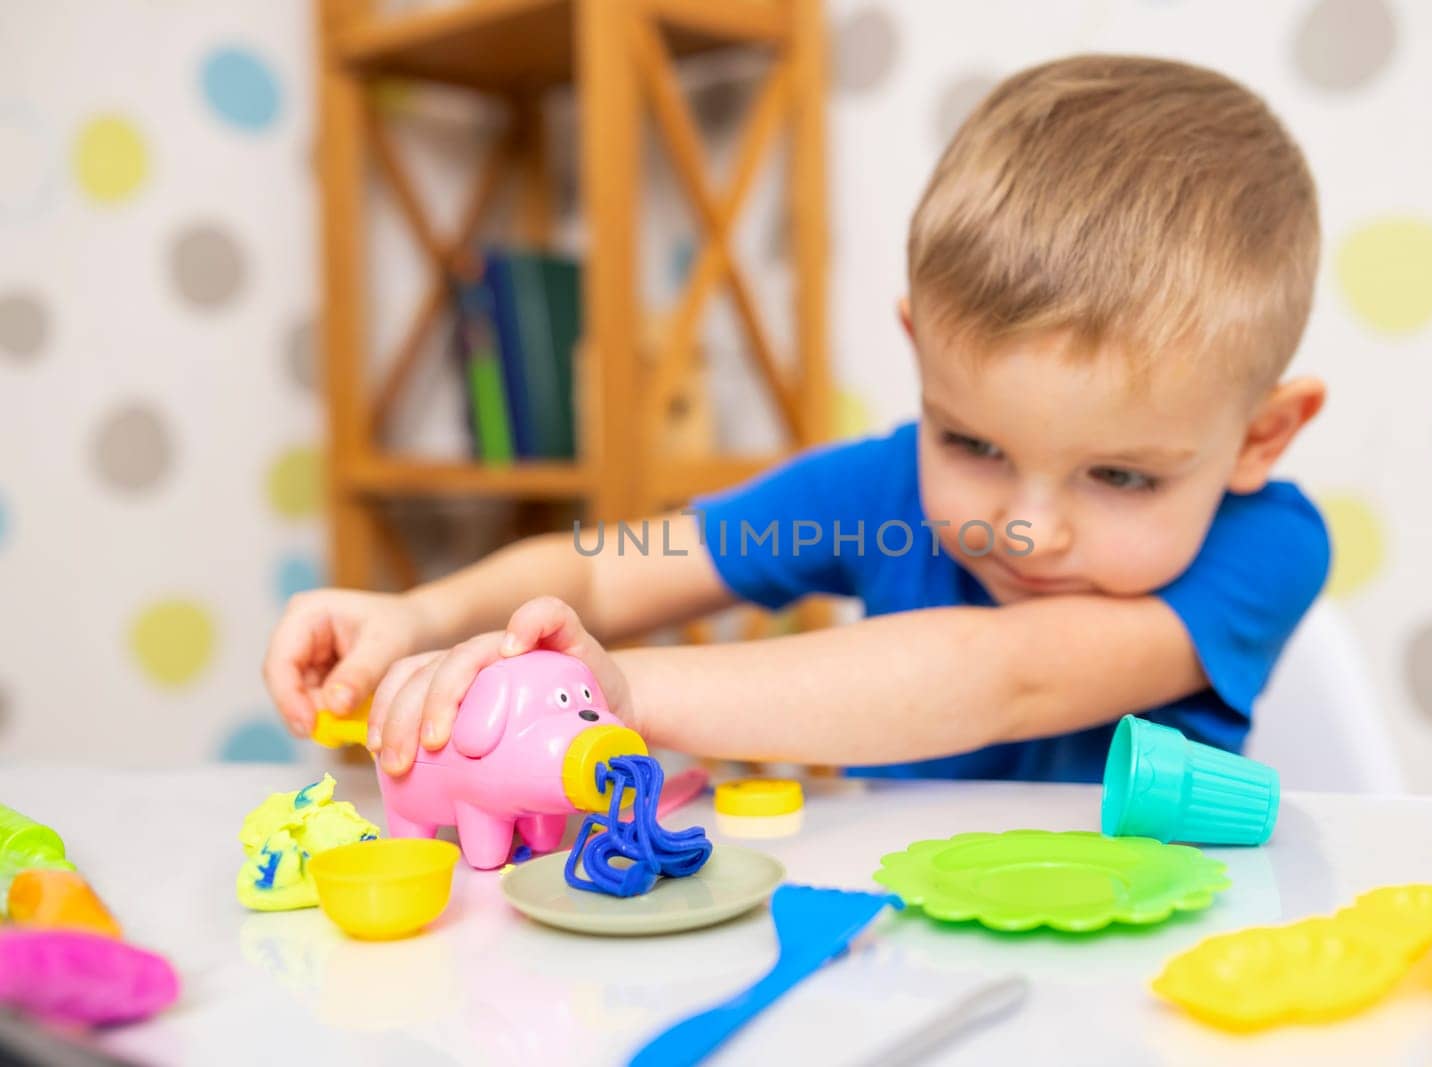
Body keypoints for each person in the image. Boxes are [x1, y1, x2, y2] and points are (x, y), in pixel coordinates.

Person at [264, 55, 1329, 783]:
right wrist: (426, 613)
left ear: (1258, 438)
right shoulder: (882, 492)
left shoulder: (1265, 545)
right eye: (974, 443)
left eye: (1121, 477)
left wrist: (622, 690)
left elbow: (1000, 675)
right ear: (922, 355)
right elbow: (606, 565)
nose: (1028, 526)